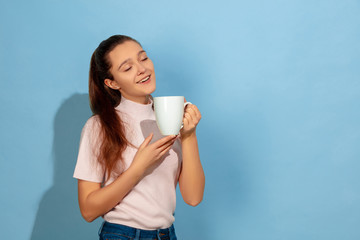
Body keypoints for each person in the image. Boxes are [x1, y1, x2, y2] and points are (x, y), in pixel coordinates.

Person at [73, 35, 205, 240]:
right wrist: (138, 169)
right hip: (122, 235)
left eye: (143, 58)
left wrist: (189, 136)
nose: (142, 69)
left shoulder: (170, 117)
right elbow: (88, 210)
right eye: (127, 68)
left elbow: (193, 197)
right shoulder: (99, 127)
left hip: (167, 234)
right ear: (112, 83)